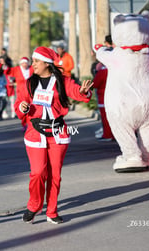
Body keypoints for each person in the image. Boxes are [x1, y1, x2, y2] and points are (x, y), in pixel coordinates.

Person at [15, 46, 93, 224]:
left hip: (58, 132)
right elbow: (20, 102)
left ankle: (51, 210)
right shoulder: (29, 83)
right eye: (33, 61)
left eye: (36, 61)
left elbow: (76, 92)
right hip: (36, 132)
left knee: (54, 175)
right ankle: (34, 204)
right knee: (37, 172)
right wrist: (22, 107)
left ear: (47, 63)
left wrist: (83, 92)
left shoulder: (62, 81)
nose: (32, 64)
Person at [4, 56, 33, 129]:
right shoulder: (17, 69)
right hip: (21, 92)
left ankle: (31, 124)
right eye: (23, 63)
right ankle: (24, 123)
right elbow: (8, 72)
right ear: (20, 64)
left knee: (31, 108)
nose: (24, 65)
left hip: (31, 91)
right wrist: (5, 66)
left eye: (26, 63)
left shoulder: (31, 69)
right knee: (23, 108)